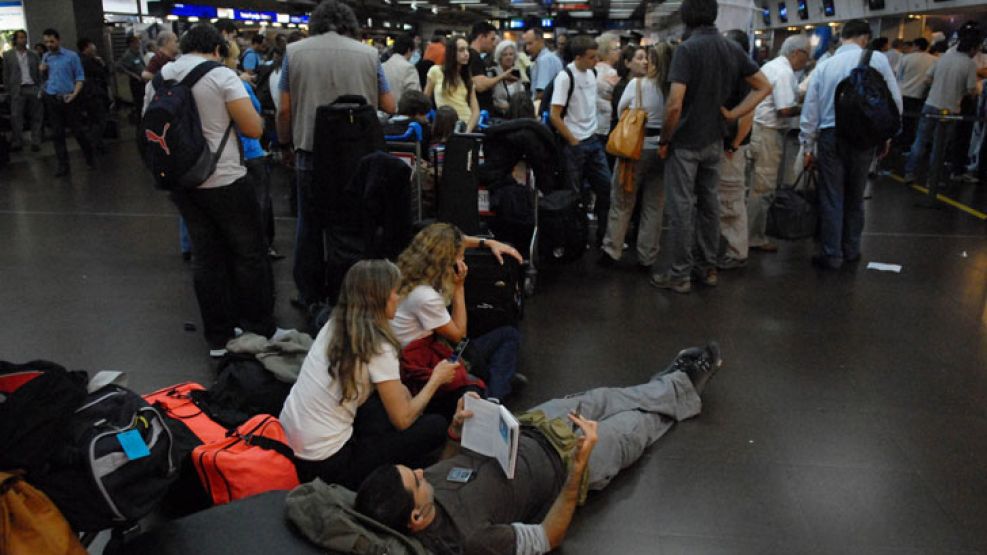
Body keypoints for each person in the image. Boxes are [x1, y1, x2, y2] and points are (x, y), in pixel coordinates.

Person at [354, 342, 723, 555]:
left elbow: (444, 467)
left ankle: (674, 382)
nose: (421, 471)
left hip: (531, 426)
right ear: (417, 519)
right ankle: (684, 381)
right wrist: (578, 471)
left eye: (413, 470)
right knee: (638, 426)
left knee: (605, 398)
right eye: (415, 480)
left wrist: (454, 432)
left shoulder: (423, 494)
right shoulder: (473, 540)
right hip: (567, 463)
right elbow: (547, 538)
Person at [143, 23, 278, 356]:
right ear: (217, 49)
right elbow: (251, 127)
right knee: (249, 253)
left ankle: (218, 336)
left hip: (182, 181)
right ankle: (258, 328)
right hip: (225, 178)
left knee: (206, 257)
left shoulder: (160, 78)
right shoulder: (221, 75)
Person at [280, 260, 457, 490]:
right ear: (379, 298)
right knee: (435, 425)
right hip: (329, 465)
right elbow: (402, 420)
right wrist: (436, 379)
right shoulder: (379, 346)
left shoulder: (336, 324)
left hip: (289, 443)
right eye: (395, 291)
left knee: (378, 409)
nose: (398, 297)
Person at [276, 0, 396, 311]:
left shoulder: (294, 53)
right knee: (354, 223)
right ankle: (352, 291)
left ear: (316, 23)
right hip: (358, 155)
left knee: (309, 225)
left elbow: (285, 108)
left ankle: (310, 294)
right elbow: (390, 105)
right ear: (349, 24)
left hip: (310, 153)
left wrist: (284, 143)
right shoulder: (370, 55)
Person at [649, 0, 771, 294]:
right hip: (714, 140)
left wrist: (665, 139)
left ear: (686, 18)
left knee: (681, 209)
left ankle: (679, 274)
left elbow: (675, 103)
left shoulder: (687, 50)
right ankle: (708, 268)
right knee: (709, 206)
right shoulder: (731, 48)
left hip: (686, 142)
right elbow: (764, 86)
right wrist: (735, 113)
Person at [800, 20, 902, 270]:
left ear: (841, 37)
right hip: (864, 137)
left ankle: (831, 253)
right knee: (856, 195)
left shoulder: (825, 65)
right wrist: (886, 136)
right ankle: (852, 249)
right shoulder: (877, 59)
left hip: (830, 135)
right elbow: (894, 102)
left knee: (831, 195)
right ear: (865, 38)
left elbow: (810, 108)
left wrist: (807, 145)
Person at [391, 223, 524, 401]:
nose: (462, 259)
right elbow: (459, 335)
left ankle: (499, 380)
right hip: (425, 363)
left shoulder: (406, 274)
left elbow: (459, 240)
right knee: (508, 336)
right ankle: (494, 399)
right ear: (446, 259)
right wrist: (459, 287)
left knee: (498, 341)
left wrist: (487, 243)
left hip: (421, 351)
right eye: (460, 256)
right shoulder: (425, 297)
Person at [599, 44, 671, 270]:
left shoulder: (637, 84)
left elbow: (621, 113)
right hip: (662, 150)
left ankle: (613, 251)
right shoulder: (673, 88)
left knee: (622, 201)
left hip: (635, 149)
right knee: (654, 205)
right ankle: (647, 256)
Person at [747, 34, 811, 256]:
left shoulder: (772, 66)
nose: (808, 61)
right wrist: (808, 107)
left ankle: (746, 232)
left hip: (756, 130)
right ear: (797, 53)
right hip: (768, 133)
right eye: (807, 56)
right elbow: (784, 110)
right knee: (763, 187)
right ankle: (753, 237)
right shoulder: (784, 72)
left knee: (753, 184)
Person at [549, 35, 613, 245]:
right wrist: (573, 140)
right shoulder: (565, 77)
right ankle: (576, 238)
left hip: (592, 140)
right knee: (575, 196)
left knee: (606, 188)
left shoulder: (592, 73)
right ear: (578, 57)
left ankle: (603, 236)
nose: (596, 61)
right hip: (575, 144)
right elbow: (554, 115)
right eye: (592, 57)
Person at [902, 31, 980, 185]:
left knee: (920, 141)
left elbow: (927, 80)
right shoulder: (970, 64)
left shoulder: (943, 58)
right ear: (972, 49)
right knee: (939, 146)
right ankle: (933, 180)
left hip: (930, 105)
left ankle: (909, 173)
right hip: (950, 110)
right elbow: (972, 89)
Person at [717, 29, 760, 271]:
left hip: (734, 146)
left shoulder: (744, 75)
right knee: (726, 198)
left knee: (731, 201)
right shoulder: (739, 72)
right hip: (730, 144)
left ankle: (736, 251)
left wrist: (734, 144)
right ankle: (730, 248)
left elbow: (747, 114)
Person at [40, 28, 95, 177]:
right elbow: (46, 78)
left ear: (58, 40)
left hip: (69, 98)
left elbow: (79, 77)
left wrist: (74, 94)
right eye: (46, 42)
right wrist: (42, 72)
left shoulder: (71, 56)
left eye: (52, 41)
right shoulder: (46, 57)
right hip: (52, 97)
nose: (49, 45)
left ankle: (89, 156)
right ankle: (63, 165)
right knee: (57, 134)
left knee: (78, 131)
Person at [424, 36, 479, 131]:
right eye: (461, 50)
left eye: (467, 50)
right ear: (452, 52)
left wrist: (467, 131)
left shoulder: (466, 78)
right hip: (445, 126)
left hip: (466, 125)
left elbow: (475, 111)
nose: (466, 54)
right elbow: (425, 101)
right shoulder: (436, 71)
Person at [2, 30, 43, 153]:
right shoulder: (8, 55)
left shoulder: (33, 54)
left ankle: (36, 141)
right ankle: (18, 141)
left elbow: (39, 71)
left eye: (25, 37)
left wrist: (41, 87)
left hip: (32, 87)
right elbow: (6, 74)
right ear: (15, 40)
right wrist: (9, 89)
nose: (23, 40)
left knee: (36, 115)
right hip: (17, 88)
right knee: (16, 116)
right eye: (20, 37)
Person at [896, 37, 935, 148]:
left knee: (905, 121)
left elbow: (898, 75)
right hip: (923, 94)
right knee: (918, 122)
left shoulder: (906, 58)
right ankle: (915, 144)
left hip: (905, 93)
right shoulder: (934, 60)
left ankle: (903, 143)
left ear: (916, 46)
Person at [467, 21, 513, 114]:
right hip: (480, 111)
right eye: (492, 39)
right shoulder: (473, 56)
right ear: (482, 37)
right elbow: (480, 85)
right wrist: (503, 76)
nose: (494, 44)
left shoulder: (476, 56)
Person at [76, 38, 111, 155]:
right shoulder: (87, 61)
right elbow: (102, 73)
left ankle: (95, 143)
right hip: (93, 94)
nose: (94, 48)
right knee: (100, 120)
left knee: (93, 120)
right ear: (87, 47)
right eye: (92, 45)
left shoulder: (80, 59)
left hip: (87, 94)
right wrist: (101, 63)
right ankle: (94, 143)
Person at [610, 44, 648, 131]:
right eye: (640, 58)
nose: (645, 62)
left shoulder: (646, 85)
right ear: (627, 63)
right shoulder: (621, 87)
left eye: (646, 58)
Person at [594, 33, 622, 147]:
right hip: (606, 124)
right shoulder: (612, 73)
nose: (619, 51)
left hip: (593, 124)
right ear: (605, 52)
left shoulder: (592, 70)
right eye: (615, 49)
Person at [523, 27, 564, 104]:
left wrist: (529, 107)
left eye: (530, 43)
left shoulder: (544, 60)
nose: (527, 48)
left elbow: (541, 93)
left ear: (541, 41)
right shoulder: (551, 57)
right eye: (526, 44)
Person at [383, 34, 422, 107]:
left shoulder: (383, 66)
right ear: (409, 50)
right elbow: (415, 95)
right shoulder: (409, 68)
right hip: (401, 113)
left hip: (383, 111)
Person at [489, 40, 526, 118]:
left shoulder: (516, 72)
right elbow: (490, 101)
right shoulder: (493, 73)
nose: (508, 57)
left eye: (511, 54)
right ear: (500, 57)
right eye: (505, 55)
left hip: (516, 117)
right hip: (498, 117)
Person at [116, 35, 145, 122]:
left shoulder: (138, 53)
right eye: (137, 42)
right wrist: (132, 74)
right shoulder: (128, 55)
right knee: (139, 103)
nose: (139, 44)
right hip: (136, 83)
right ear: (131, 44)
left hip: (143, 82)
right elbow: (119, 67)